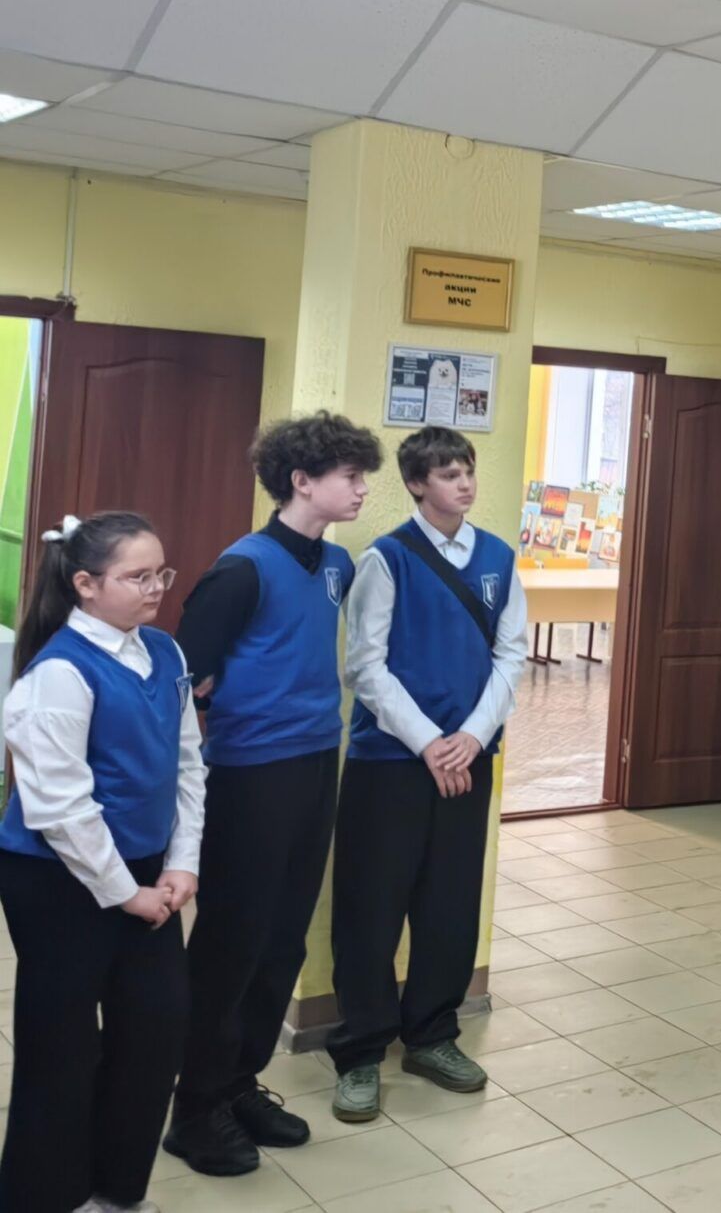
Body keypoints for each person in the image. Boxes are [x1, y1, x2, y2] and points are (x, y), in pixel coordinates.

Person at [164, 412, 383, 1175]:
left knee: (284, 936)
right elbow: (184, 679)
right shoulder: (242, 569)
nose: (361, 489)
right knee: (233, 940)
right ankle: (194, 1109)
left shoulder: (337, 564)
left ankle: (237, 1085)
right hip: (250, 774)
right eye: (350, 476)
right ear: (301, 481)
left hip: (317, 760)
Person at [0, 513, 204, 1213]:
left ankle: (117, 1192)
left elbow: (187, 765)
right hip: (57, 879)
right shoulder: (59, 673)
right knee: (60, 1049)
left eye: (161, 573)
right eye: (136, 577)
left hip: (145, 872)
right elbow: (61, 809)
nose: (156, 588)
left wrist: (182, 862)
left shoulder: (165, 653)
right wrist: (126, 893)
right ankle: (43, 1197)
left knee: (155, 1031)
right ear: (86, 584)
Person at [326, 427, 525, 1120]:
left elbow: (511, 656)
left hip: (468, 759)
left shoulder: (498, 557)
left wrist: (470, 738)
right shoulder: (386, 559)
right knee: (371, 908)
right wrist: (430, 743)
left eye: (467, 471)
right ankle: (360, 1050)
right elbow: (365, 665)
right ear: (416, 485)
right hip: (392, 763)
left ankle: (433, 1036)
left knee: (449, 904)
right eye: (447, 474)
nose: (463, 485)